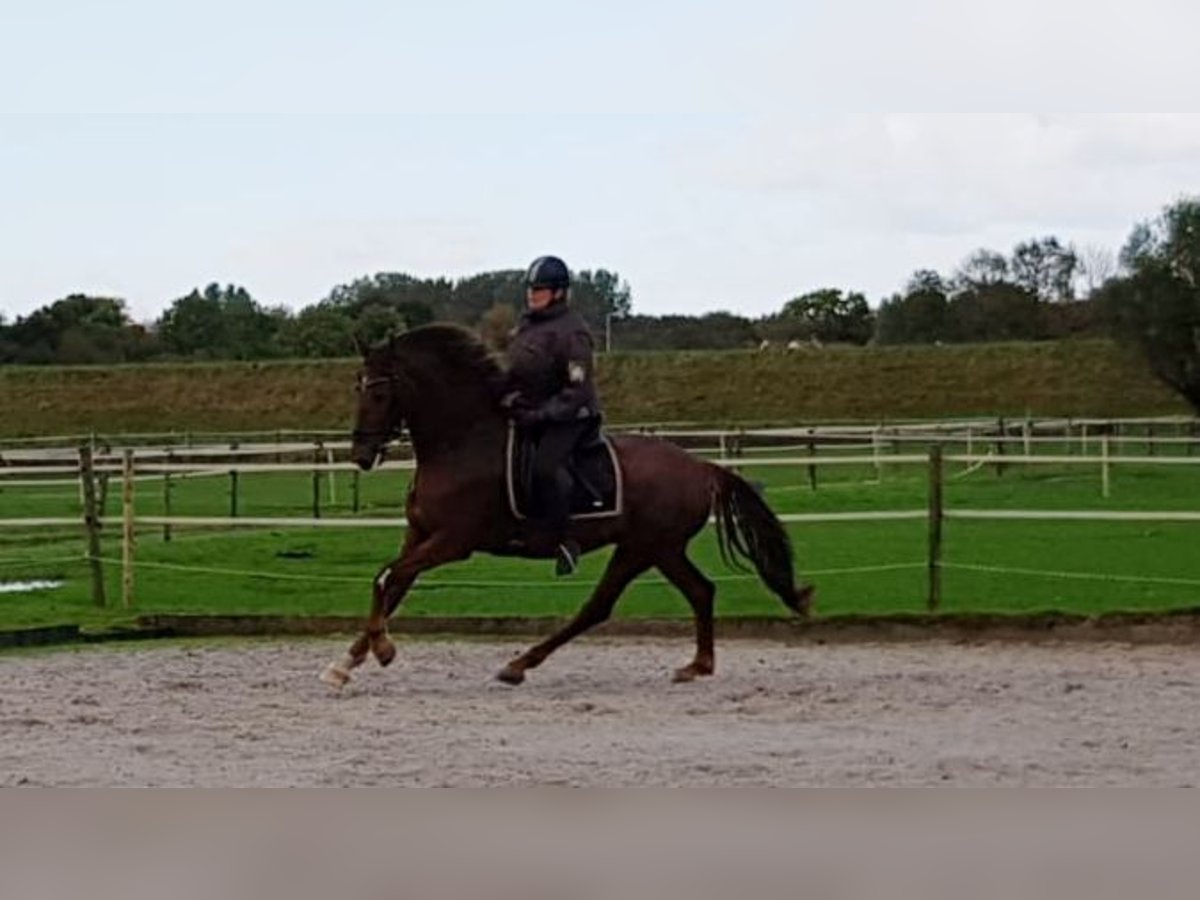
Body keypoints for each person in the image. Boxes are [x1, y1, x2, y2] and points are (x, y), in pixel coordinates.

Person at [502, 255, 602, 576]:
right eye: (531, 288)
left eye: (540, 289)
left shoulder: (573, 333)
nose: (532, 294)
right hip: (532, 413)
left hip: (571, 418)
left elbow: (577, 390)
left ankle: (565, 540)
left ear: (558, 293)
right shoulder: (526, 327)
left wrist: (542, 415)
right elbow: (515, 373)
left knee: (545, 468)